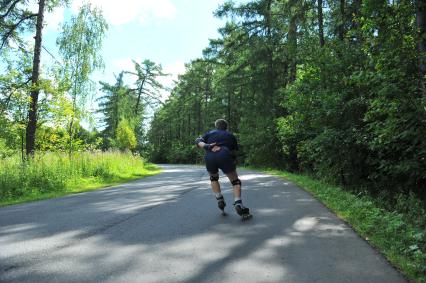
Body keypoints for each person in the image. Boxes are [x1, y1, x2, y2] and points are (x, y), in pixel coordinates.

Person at [195, 119, 250, 217]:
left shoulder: (209, 133)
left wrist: (207, 146)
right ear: (226, 127)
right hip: (224, 154)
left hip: (210, 155)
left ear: (216, 126)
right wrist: (232, 161)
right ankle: (238, 203)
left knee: (214, 178)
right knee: (235, 182)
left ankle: (219, 198)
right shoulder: (230, 135)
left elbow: (198, 140)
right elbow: (233, 152)